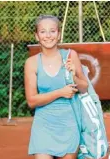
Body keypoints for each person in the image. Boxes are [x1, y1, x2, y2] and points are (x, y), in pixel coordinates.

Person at [24, 15, 88, 159]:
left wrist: (74, 76)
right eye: (43, 31)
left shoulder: (71, 55)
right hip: (43, 125)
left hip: (69, 124)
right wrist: (60, 92)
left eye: (52, 31)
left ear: (59, 34)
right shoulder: (31, 63)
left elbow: (84, 88)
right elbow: (32, 101)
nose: (48, 36)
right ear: (36, 36)